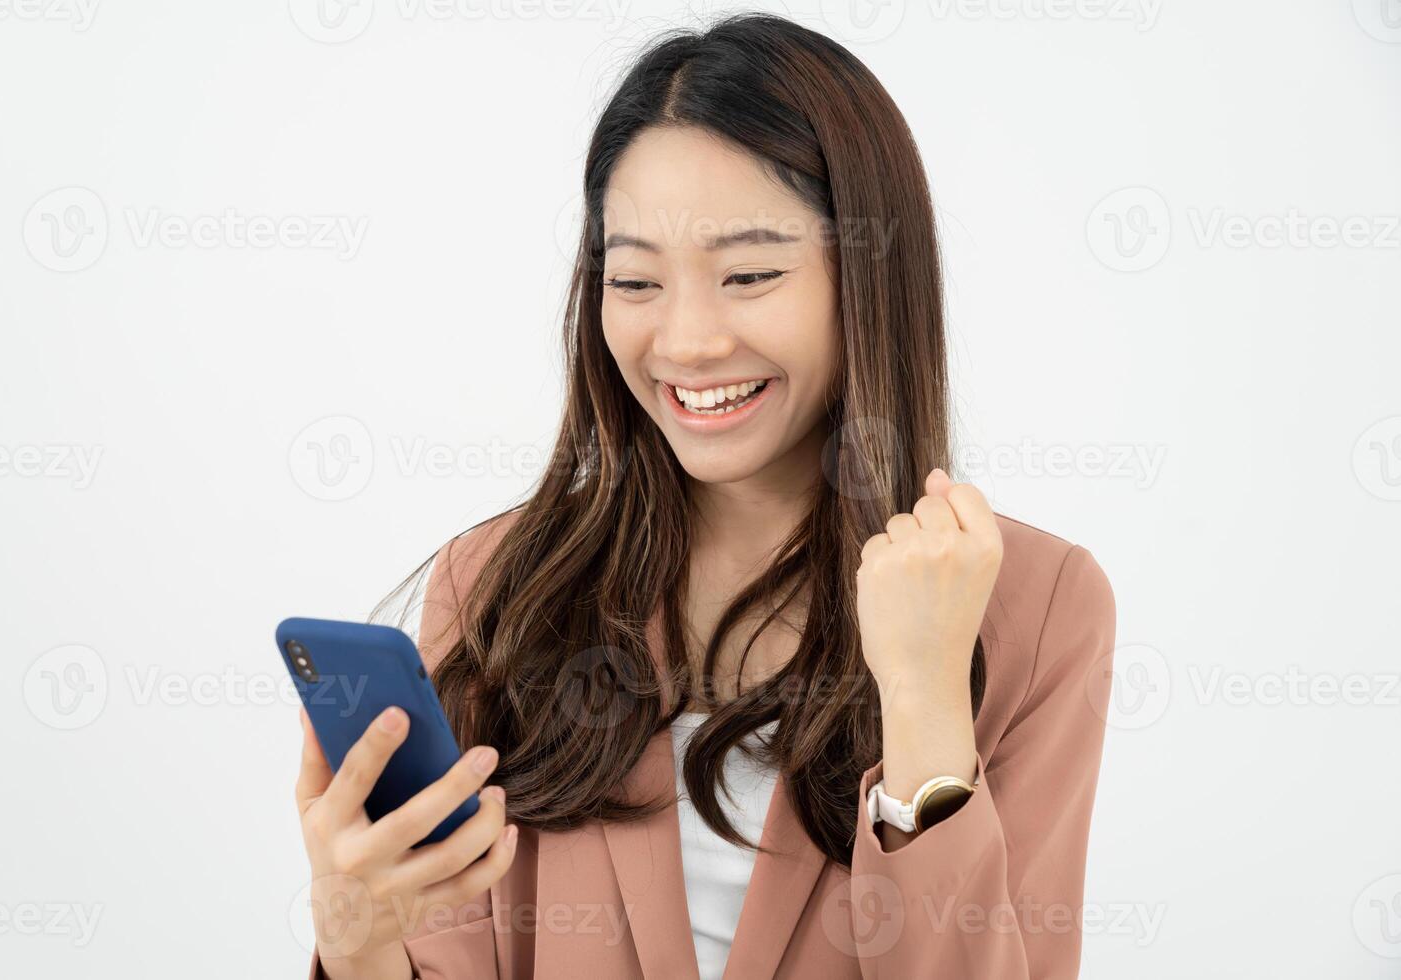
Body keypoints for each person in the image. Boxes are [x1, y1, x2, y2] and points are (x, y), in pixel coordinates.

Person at [295, 12, 1117, 979]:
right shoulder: (497, 589)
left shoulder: (1037, 605)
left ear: (867, 274)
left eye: (749, 274)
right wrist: (354, 935)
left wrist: (927, 697)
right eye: (635, 280)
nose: (685, 342)